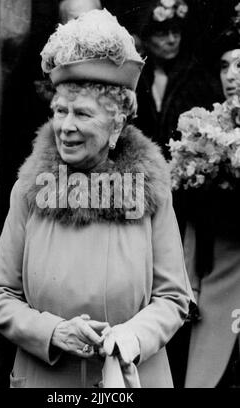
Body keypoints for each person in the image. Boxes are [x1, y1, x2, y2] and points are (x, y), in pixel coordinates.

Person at [0, 9, 193, 388]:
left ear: (116, 124)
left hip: (130, 378)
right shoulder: (30, 188)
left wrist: (131, 339)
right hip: (46, 381)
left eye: (82, 113)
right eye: (60, 111)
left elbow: (175, 298)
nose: (66, 126)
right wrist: (51, 331)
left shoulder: (151, 191)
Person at [184, 4, 240, 388]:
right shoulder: (204, 133)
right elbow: (190, 215)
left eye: (239, 65)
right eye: (225, 67)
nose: (232, 76)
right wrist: (188, 284)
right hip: (218, 286)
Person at [134, 0, 221, 160]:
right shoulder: (137, 77)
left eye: (176, 32)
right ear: (146, 38)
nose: (172, 40)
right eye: (162, 33)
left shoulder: (197, 77)